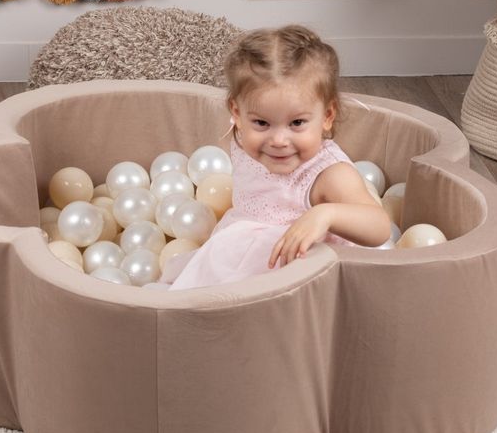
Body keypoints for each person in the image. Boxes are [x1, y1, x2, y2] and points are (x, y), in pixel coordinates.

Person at [162, 25, 392, 290]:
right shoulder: (242, 138)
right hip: (239, 246)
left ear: (327, 116)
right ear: (237, 113)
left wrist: (326, 214)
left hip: (297, 272)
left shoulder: (329, 174)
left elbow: (380, 228)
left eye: (297, 123)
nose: (279, 140)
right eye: (262, 123)